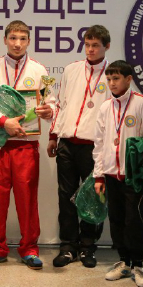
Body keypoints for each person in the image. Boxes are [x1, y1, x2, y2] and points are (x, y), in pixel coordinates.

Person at [0, 20, 54, 270]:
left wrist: (49, 111)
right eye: (13, 38)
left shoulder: (39, 70)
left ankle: (29, 248)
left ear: (29, 41)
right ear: (5, 40)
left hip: (26, 146)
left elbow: (51, 103)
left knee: (27, 199)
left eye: (22, 39)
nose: (17, 44)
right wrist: (3, 121)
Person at [93, 60, 143, 287]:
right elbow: (99, 144)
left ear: (128, 79)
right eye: (109, 79)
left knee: (134, 220)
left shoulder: (142, 103)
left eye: (116, 78)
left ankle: (139, 265)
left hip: (134, 176)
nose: (112, 83)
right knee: (116, 219)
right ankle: (124, 262)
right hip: (111, 175)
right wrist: (98, 176)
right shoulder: (105, 107)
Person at [47, 25, 112, 268]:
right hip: (67, 144)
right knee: (66, 197)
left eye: (95, 45)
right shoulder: (71, 70)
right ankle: (68, 246)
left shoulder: (112, 74)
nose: (90, 49)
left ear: (106, 46)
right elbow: (60, 105)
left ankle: (87, 247)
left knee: (93, 199)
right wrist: (53, 136)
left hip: (95, 148)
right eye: (87, 45)